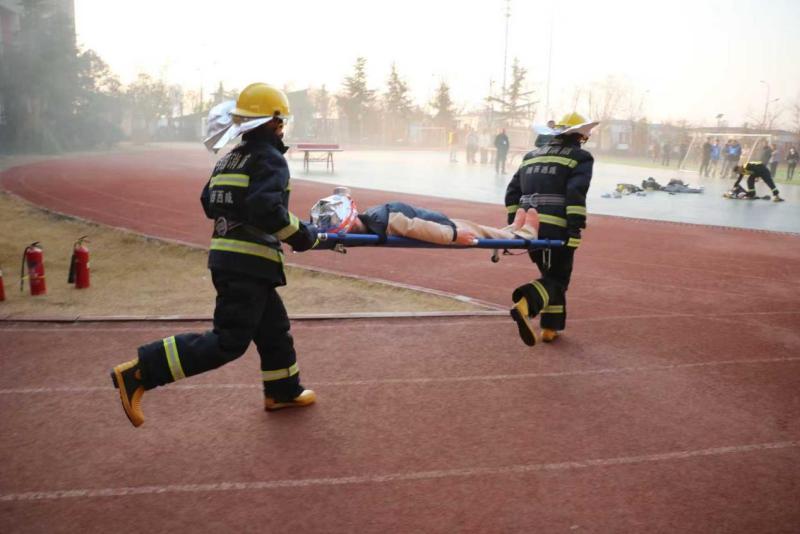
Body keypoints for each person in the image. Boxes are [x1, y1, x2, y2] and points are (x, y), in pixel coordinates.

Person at [109, 83, 320, 428]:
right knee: (228, 341)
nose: (283, 128)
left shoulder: (230, 158)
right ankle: (140, 373)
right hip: (249, 264)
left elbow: (209, 201)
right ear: (273, 122)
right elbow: (266, 209)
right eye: (281, 121)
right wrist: (303, 235)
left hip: (228, 260)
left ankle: (283, 390)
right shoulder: (270, 159)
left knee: (273, 329)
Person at [504, 112, 597, 346]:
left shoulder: (531, 156)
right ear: (579, 136)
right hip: (557, 227)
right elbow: (575, 193)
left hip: (527, 228)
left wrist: (515, 225)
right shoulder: (580, 157)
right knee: (559, 279)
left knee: (550, 276)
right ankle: (526, 302)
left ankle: (550, 328)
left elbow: (512, 193)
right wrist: (575, 228)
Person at [310, 191, 540, 245]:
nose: (349, 233)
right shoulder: (375, 218)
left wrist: (453, 235)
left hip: (441, 225)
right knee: (479, 229)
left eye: (348, 229)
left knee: (478, 231)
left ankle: (520, 234)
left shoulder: (386, 220)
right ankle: (515, 231)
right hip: (439, 224)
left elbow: (419, 227)